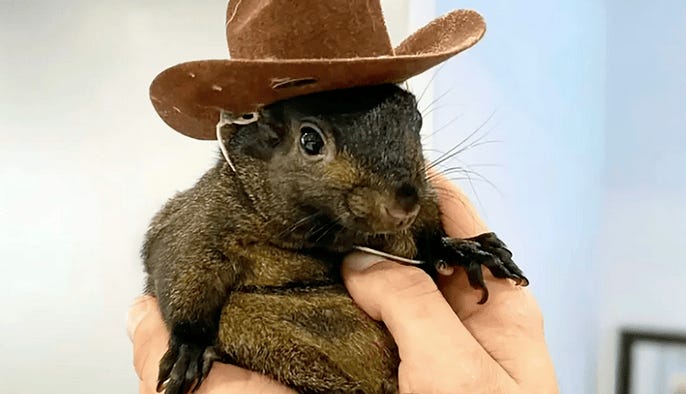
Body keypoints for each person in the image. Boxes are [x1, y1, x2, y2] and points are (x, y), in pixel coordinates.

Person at [128, 176, 559, 393]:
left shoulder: (413, 197)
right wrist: (190, 334)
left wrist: (444, 247)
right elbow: (176, 254)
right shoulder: (224, 211)